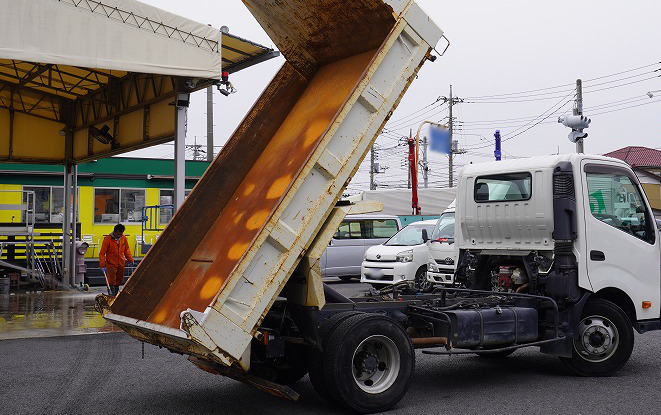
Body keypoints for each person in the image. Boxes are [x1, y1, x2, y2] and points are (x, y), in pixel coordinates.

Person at [99, 224, 134, 295]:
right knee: (111, 280)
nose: (119, 236)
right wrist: (102, 265)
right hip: (111, 263)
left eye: (121, 234)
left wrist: (130, 259)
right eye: (118, 234)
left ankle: (116, 295)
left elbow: (126, 250)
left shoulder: (123, 238)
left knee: (119, 280)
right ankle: (111, 295)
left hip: (121, 262)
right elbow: (102, 253)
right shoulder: (107, 239)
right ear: (114, 232)